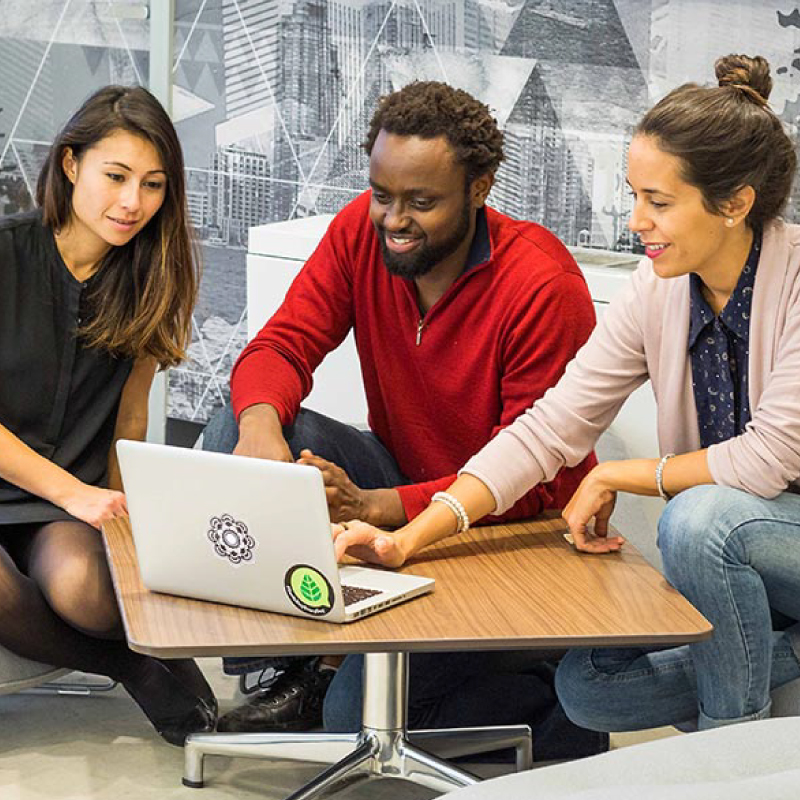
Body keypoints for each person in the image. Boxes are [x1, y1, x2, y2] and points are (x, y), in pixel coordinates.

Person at [333, 54, 800, 734]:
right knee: (589, 689)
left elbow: (767, 461)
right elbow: (549, 427)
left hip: (757, 532)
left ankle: (730, 756)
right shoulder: (658, 287)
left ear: (734, 204)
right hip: (742, 552)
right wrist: (411, 538)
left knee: (695, 521)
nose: (635, 219)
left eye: (658, 201)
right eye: (634, 194)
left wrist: (619, 473)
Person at [204, 81, 606, 757]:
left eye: (422, 202)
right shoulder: (360, 231)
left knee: (353, 724)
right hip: (398, 480)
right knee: (237, 425)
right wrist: (259, 433)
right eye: (383, 194)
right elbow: (278, 346)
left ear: (480, 189)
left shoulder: (542, 285)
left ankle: (553, 700)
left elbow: (544, 483)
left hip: (512, 536)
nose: (392, 218)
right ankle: (305, 664)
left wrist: (383, 506)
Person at [0, 85, 215, 745]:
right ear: (70, 165)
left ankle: (145, 646)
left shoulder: (154, 276)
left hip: (62, 506)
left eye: (153, 185)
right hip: (53, 488)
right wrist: (78, 496)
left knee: (89, 590)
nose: (132, 203)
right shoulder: (6, 254)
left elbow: (129, 417)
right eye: (115, 176)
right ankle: (131, 668)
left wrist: (118, 512)